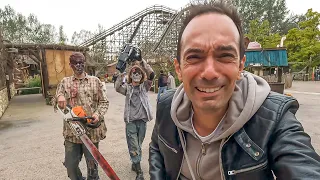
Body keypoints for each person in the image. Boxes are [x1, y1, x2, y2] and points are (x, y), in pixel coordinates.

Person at [149, 2, 320, 180]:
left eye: (225, 56)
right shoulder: (167, 106)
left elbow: (304, 167)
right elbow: (157, 148)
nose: (209, 72)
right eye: (194, 57)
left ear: (240, 66)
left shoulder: (273, 118)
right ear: (178, 69)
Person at [55, 52, 109, 180]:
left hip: (91, 133)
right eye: (76, 63)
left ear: (85, 63)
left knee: (92, 168)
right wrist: (59, 97)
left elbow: (104, 102)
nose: (79, 65)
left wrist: (97, 115)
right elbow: (55, 101)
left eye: (81, 62)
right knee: (71, 166)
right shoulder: (64, 82)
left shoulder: (95, 81)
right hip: (72, 133)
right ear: (70, 65)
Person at [115, 59, 154, 180]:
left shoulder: (145, 87)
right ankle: (139, 171)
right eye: (134, 73)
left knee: (138, 144)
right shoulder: (127, 88)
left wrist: (142, 61)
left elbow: (152, 75)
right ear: (130, 76)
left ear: (142, 75)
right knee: (134, 146)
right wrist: (121, 73)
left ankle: (134, 162)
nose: (136, 74)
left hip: (142, 121)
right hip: (131, 121)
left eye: (139, 73)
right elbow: (117, 87)